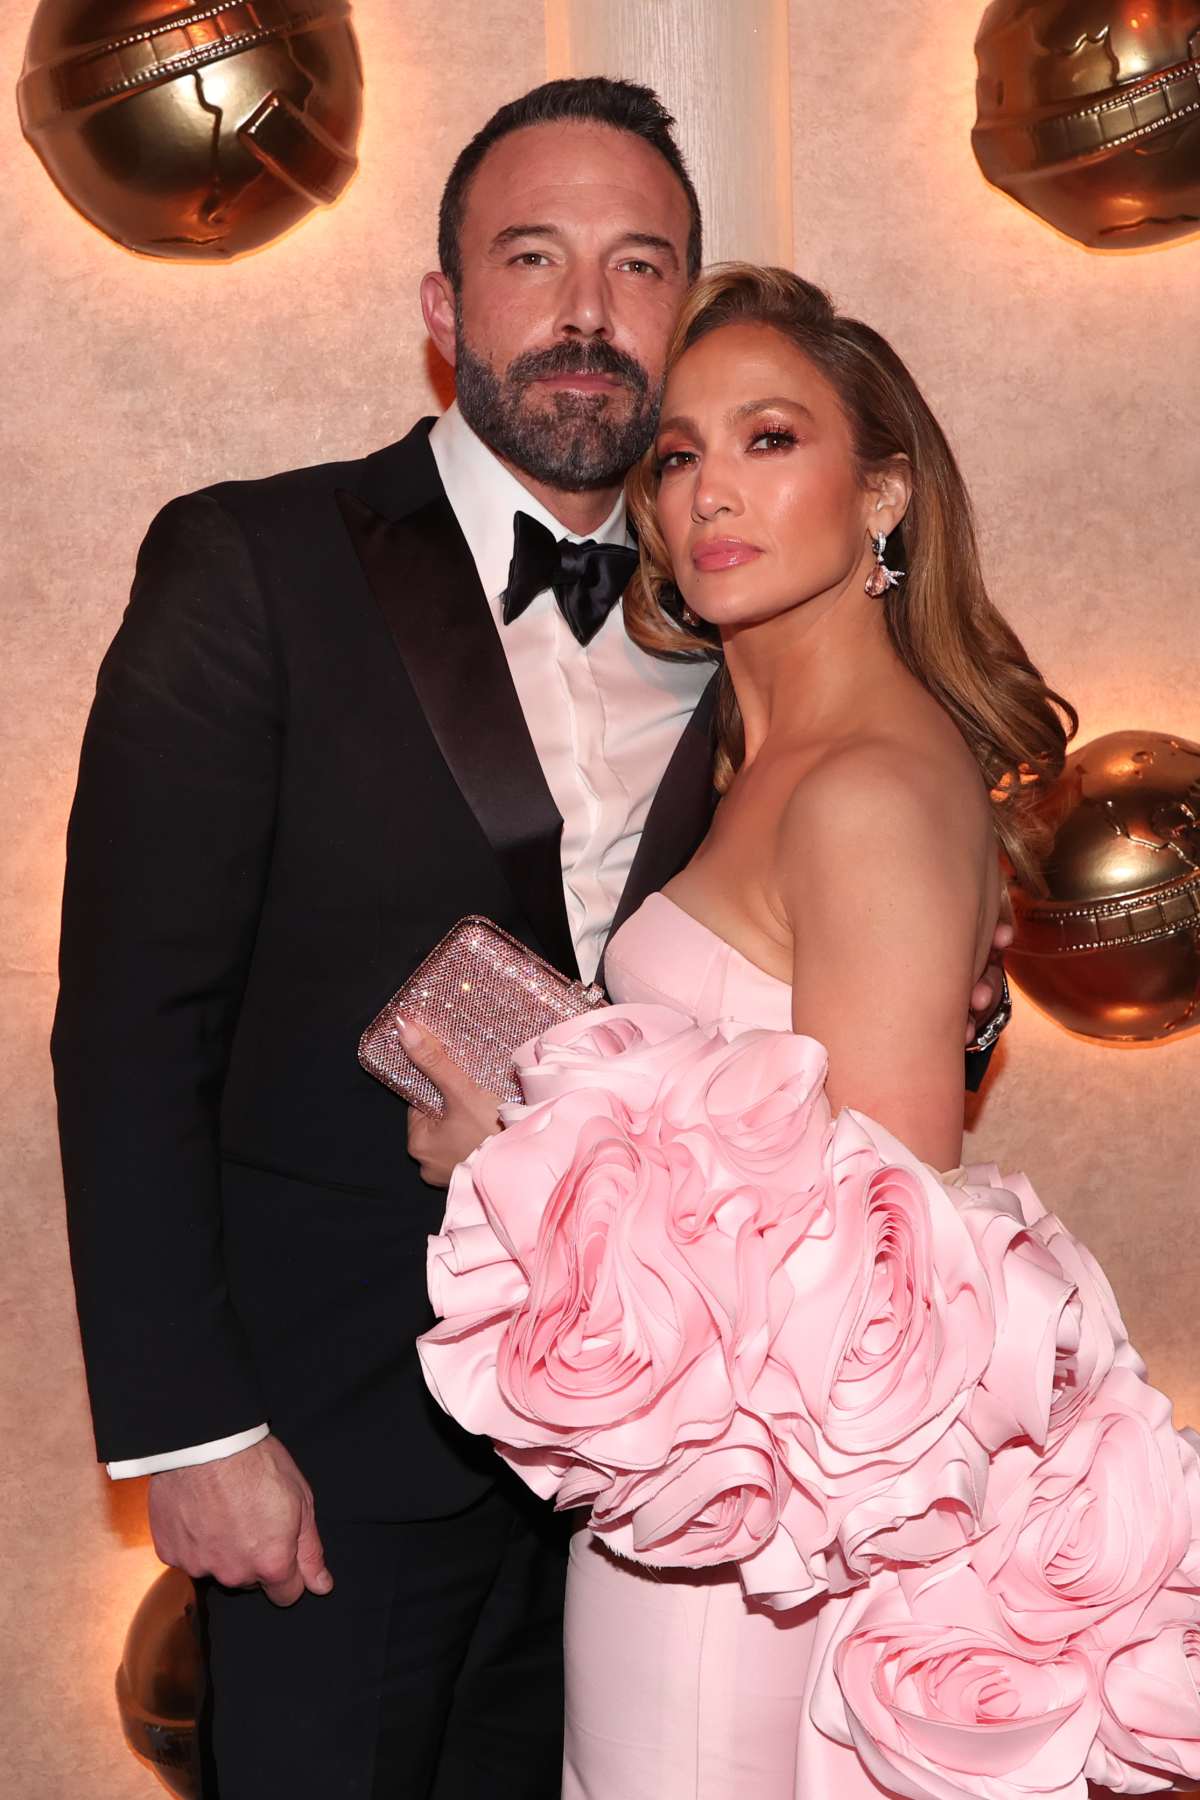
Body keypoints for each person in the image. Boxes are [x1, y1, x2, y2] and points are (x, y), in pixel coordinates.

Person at [51, 79, 1006, 1800]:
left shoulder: (746, 634)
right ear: (444, 310)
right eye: (531, 256)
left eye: (638, 264)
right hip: (326, 1460)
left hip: (648, 1488)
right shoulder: (253, 562)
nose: (585, 310)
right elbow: (131, 1026)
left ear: (683, 305)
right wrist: (192, 1429)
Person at [416, 268, 1200, 1798]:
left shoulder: (861, 790)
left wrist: (515, 1159)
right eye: (679, 454)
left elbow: (884, 1288)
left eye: (771, 439)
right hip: (699, 1512)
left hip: (751, 1553)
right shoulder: (771, 759)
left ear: (884, 490)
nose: (712, 491)